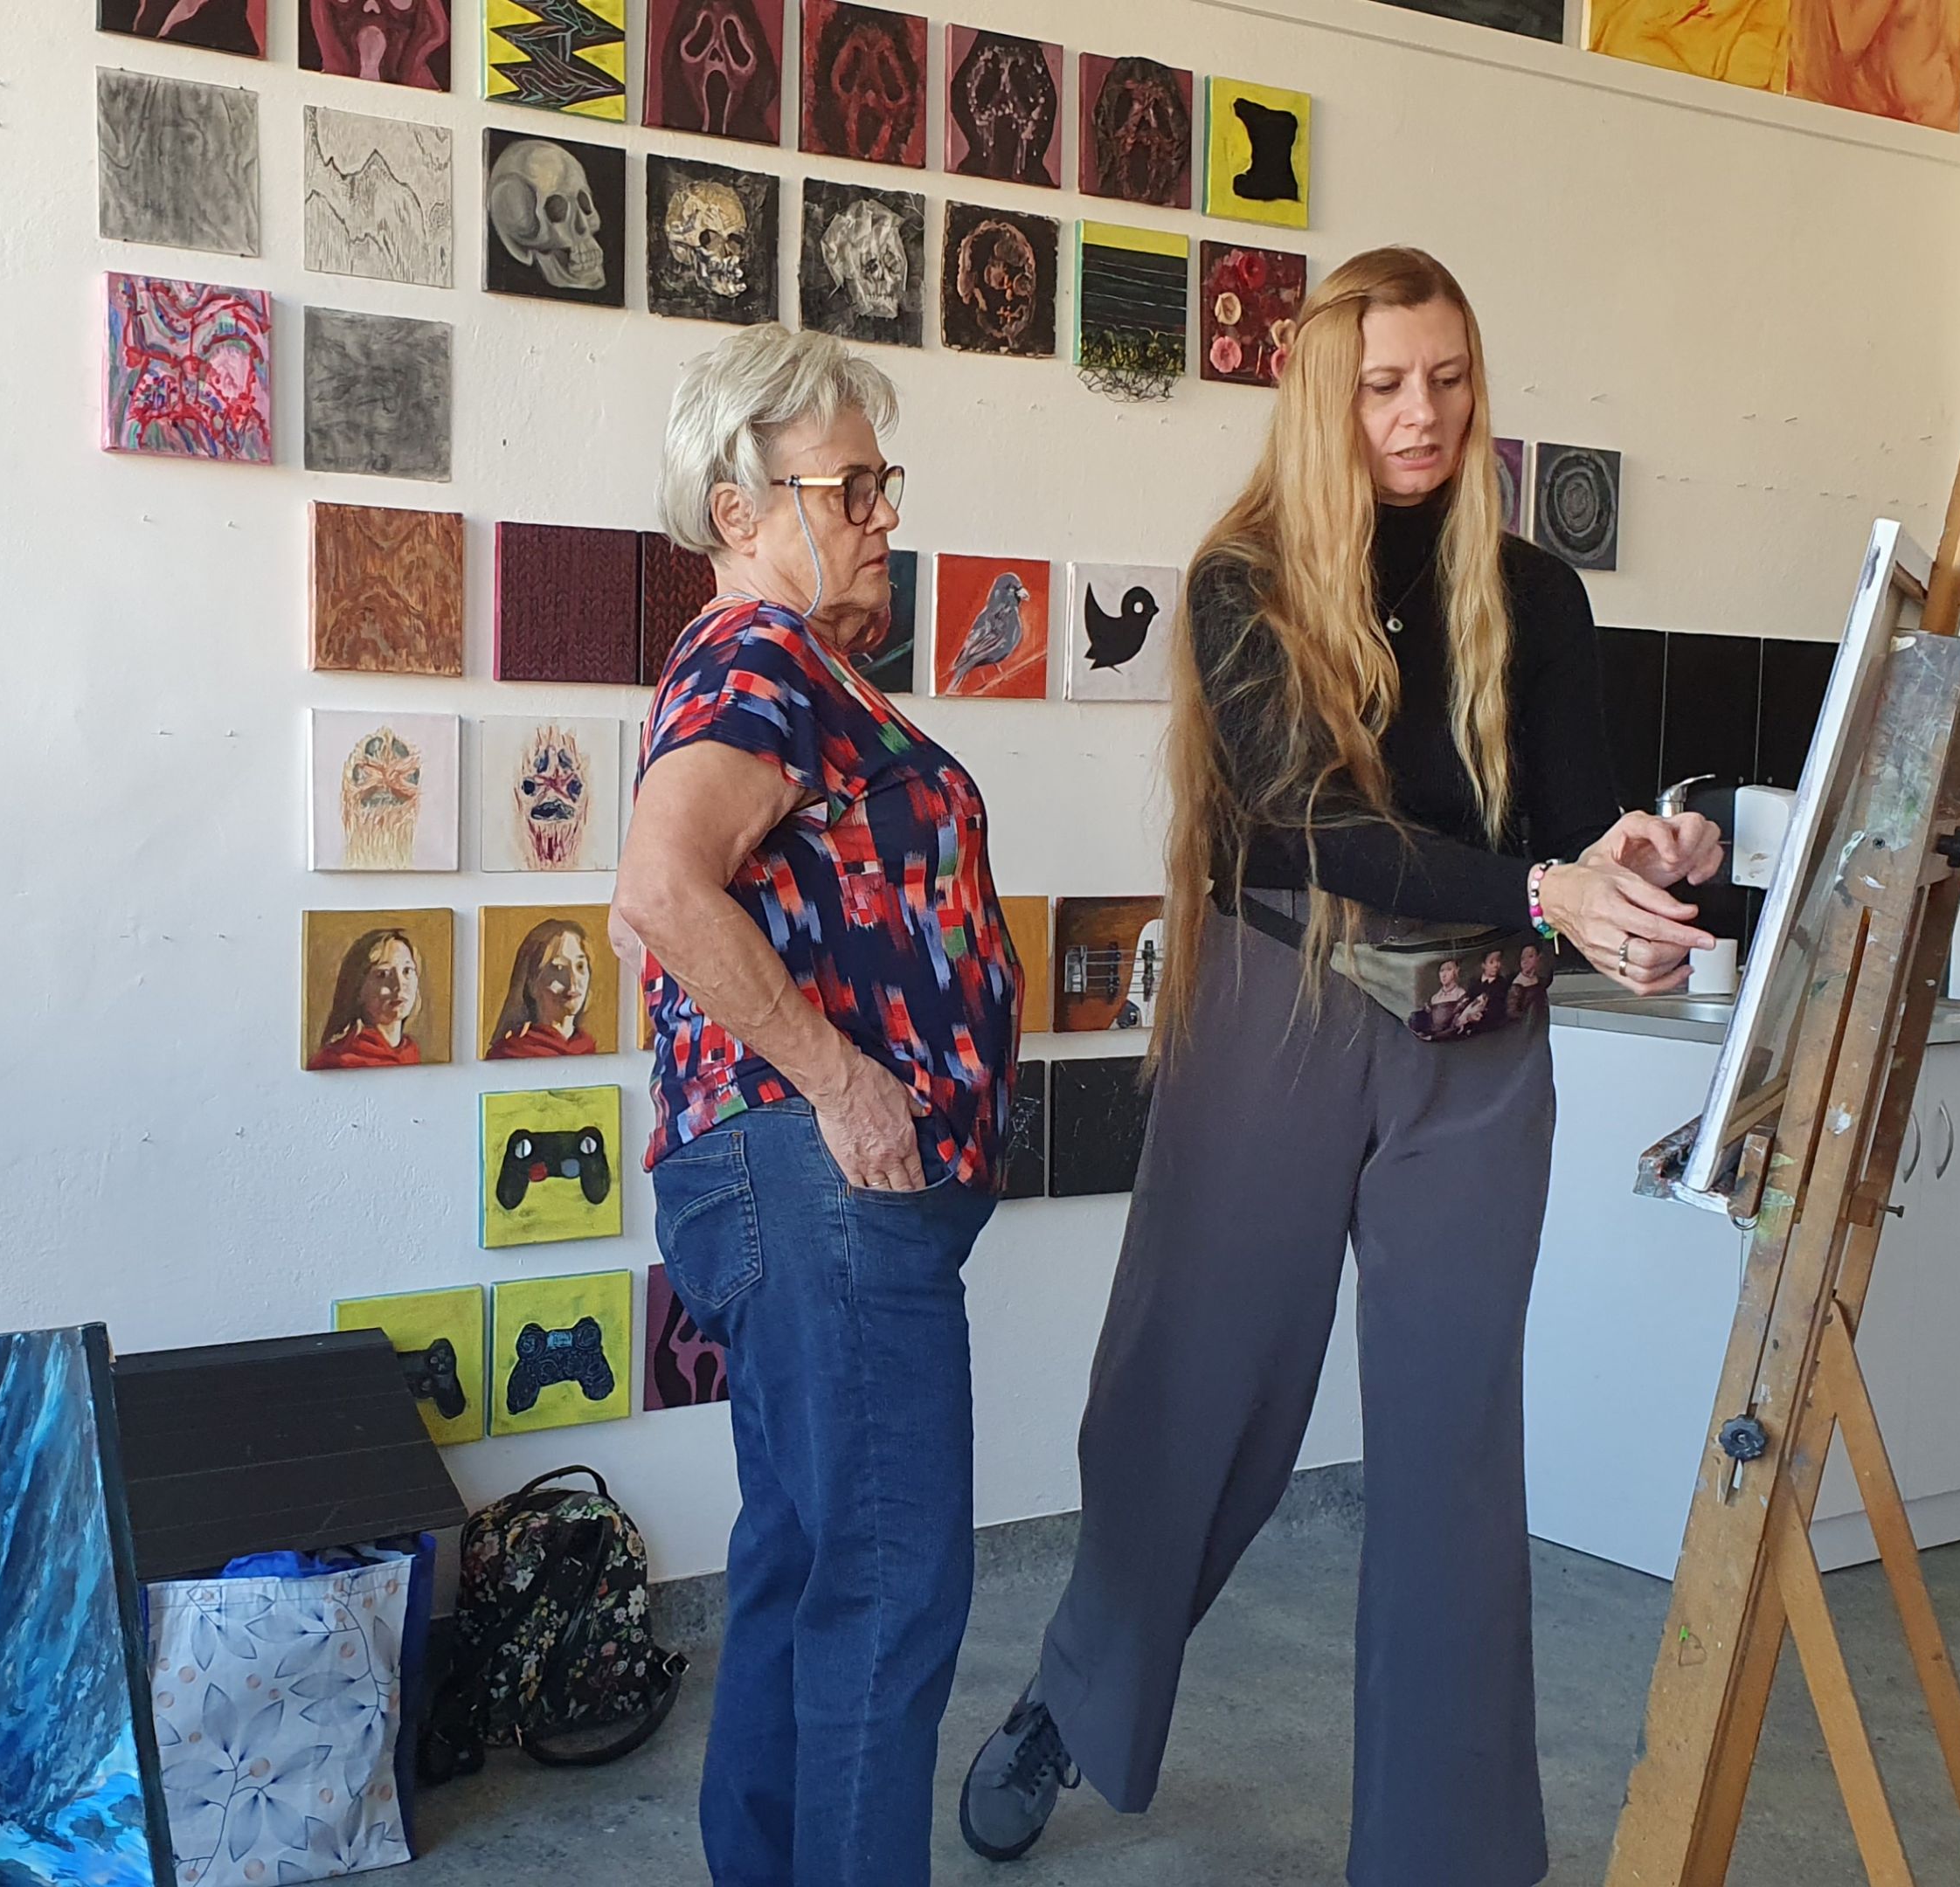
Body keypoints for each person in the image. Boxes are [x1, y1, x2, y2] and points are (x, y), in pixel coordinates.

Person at [958, 247, 1722, 1886]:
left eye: (1447, 378)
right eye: (1384, 384)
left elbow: (1573, 823)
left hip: (1476, 1035)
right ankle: (1076, 1696)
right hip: (1281, 1005)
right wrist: (1547, 889)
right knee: (1192, 1400)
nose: (1421, 413)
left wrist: (1644, 858)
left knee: (1455, 1456)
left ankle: (1447, 1859)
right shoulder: (1244, 583)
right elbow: (1315, 825)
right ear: (1325, 394)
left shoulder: (1537, 595)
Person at [613, 323, 1020, 1887]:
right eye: (848, 487)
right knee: (887, 1590)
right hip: (819, 1185)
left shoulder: (778, 669)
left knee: (804, 1571)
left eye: (879, 483)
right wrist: (846, 1084)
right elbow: (662, 885)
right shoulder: (759, 656)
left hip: (792, 1193)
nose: (882, 513)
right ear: (739, 510)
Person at [310, 927, 427, 1068]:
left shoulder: (411, 1053)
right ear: (358, 988)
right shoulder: (336, 1060)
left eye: (407, 971)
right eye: (383, 974)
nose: (399, 985)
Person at [487, 916, 601, 1058]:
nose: (573, 980)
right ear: (532, 983)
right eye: (558, 967)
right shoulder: (509, 1053)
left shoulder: (588, 1049)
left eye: (580, 966)